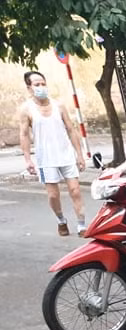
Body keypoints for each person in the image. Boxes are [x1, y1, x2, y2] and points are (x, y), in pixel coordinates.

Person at [18, 71, 87, 236]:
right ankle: (61, 221)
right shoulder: (26, 109)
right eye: (37, 84)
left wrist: (79, 154)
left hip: (66, 155)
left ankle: (82, 225)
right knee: (53, 195)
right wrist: (28, 159)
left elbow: (71, 129)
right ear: (29, 88)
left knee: (75, 190)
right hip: (46, 159)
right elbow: (24, 135)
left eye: (43, 84)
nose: (41, 87)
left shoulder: (59, 106)